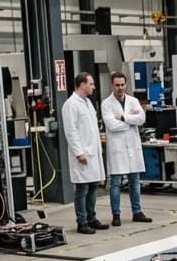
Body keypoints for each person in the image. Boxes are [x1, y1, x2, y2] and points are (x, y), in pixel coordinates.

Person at [101, 71, 151, 226]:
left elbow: (142, 119)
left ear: (126, 85)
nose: (120, 88)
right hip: (117, 149)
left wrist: (123, 118)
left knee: (135, 181)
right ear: (112, 85)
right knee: (115, 182)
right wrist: (131, 120)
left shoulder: (133, 101)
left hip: (132, 147)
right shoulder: (106, 104)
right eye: (117, 85)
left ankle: (137, 212)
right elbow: (112, 126)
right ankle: (116, 214)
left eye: (122, 85)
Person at [61, 71, 107, 234]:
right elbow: (71, 131)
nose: (93, 87)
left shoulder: (87, 102)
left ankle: (91, 218)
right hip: (82, 154)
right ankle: (82, 222)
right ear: (82, 85)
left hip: (93, 152)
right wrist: (79, 152)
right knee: (82, 189)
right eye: (91, 84)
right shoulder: (70, 105)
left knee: (93, 185)